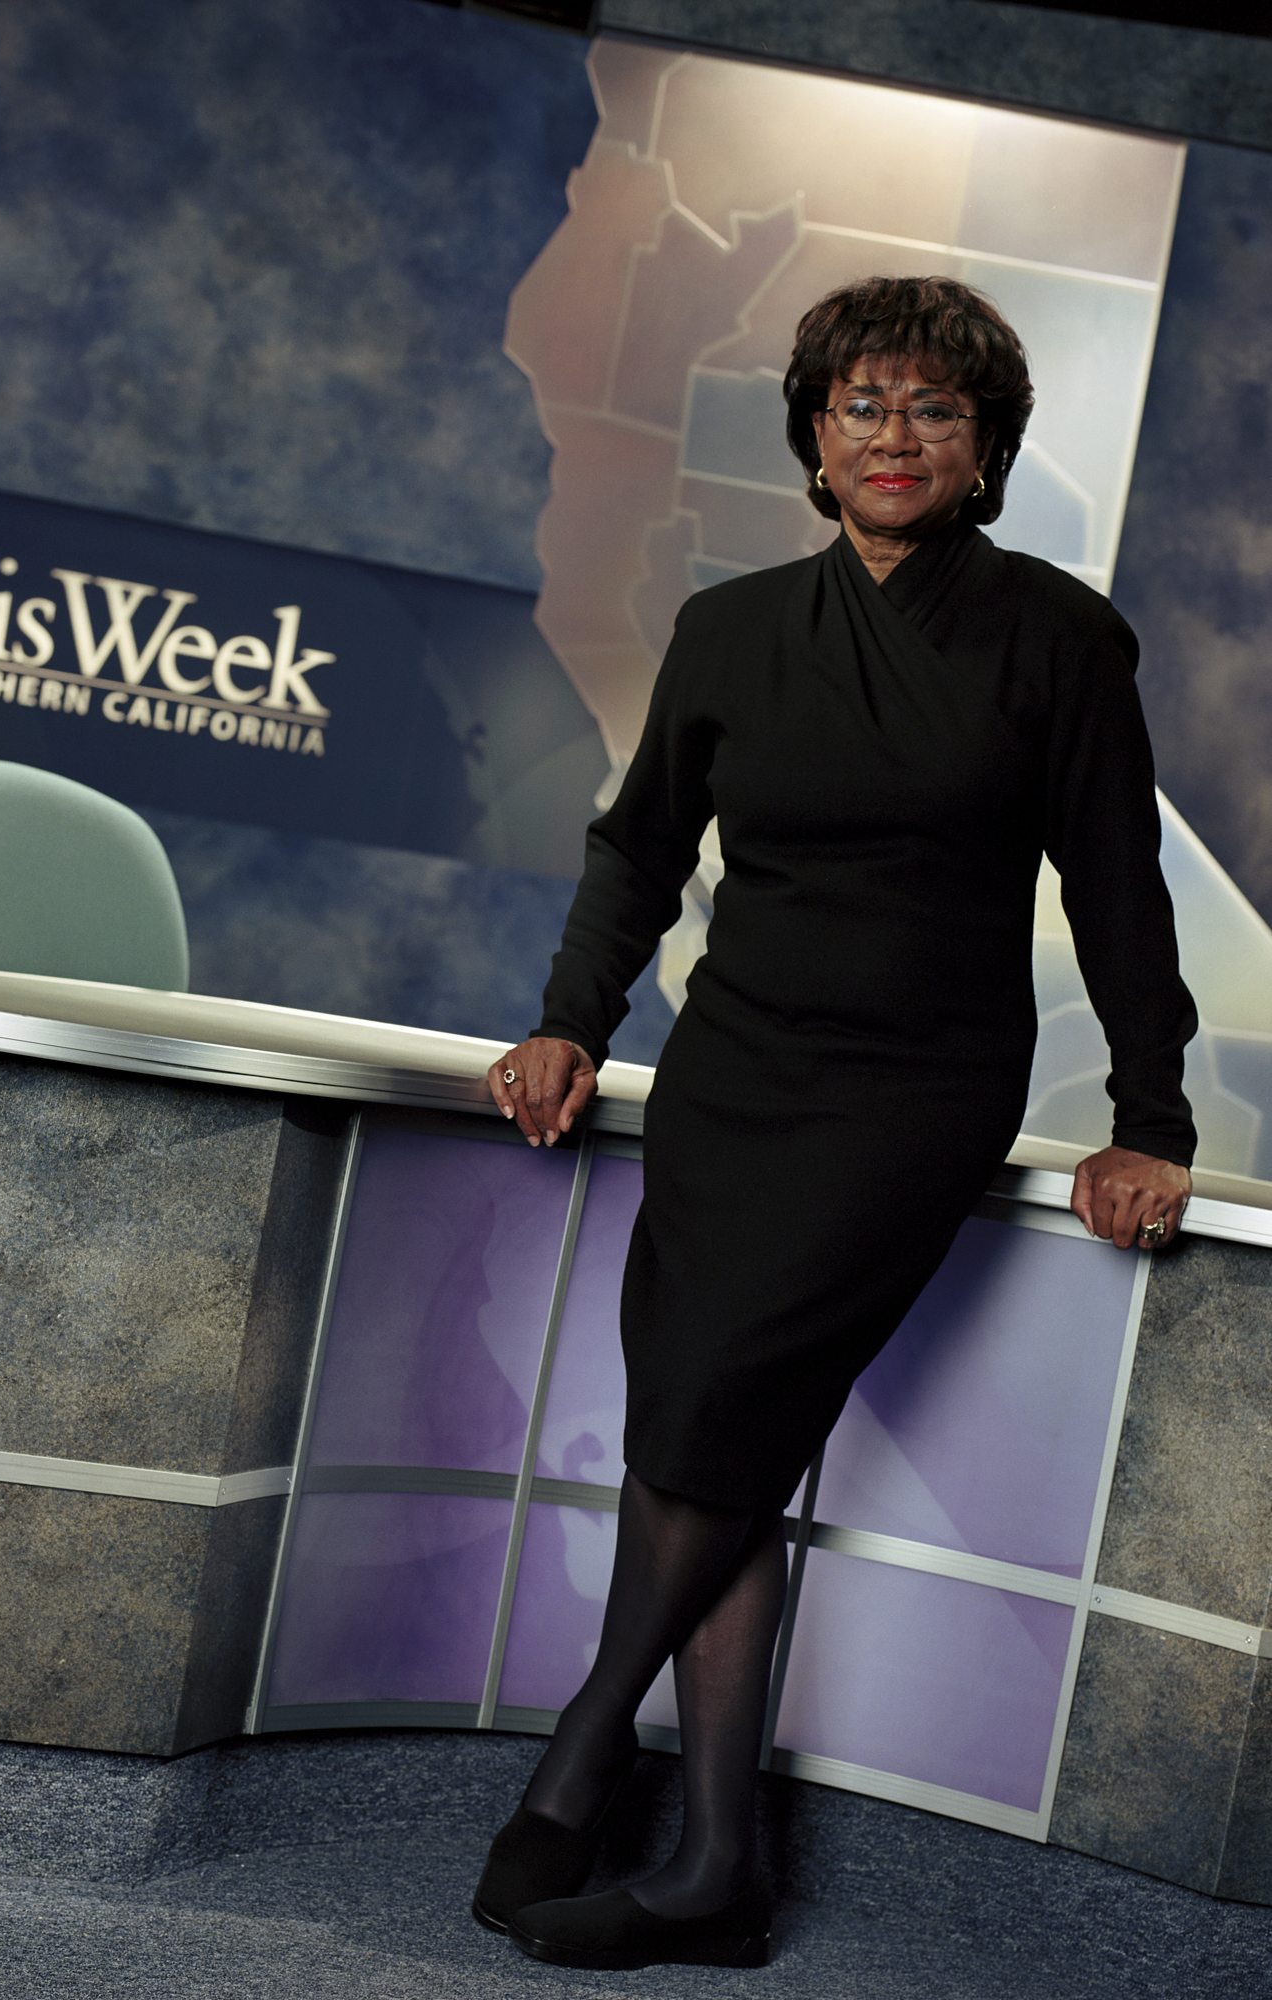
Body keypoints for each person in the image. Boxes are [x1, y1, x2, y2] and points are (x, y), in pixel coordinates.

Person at [471, 274, 1197, 1973]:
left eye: (933, 411)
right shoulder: (729, 631)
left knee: (710, 1438)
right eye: (862, 405)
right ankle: (719, 1865)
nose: (893, 436)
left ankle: (582, 1751)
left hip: (910, 1096)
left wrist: (1147, 1114)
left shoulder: (1060, 639)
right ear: (813, 434)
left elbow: (1116, 890)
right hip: (735, 1082)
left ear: (986, 448)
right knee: (728, 1454)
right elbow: (637, 849)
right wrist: (573, 1019)